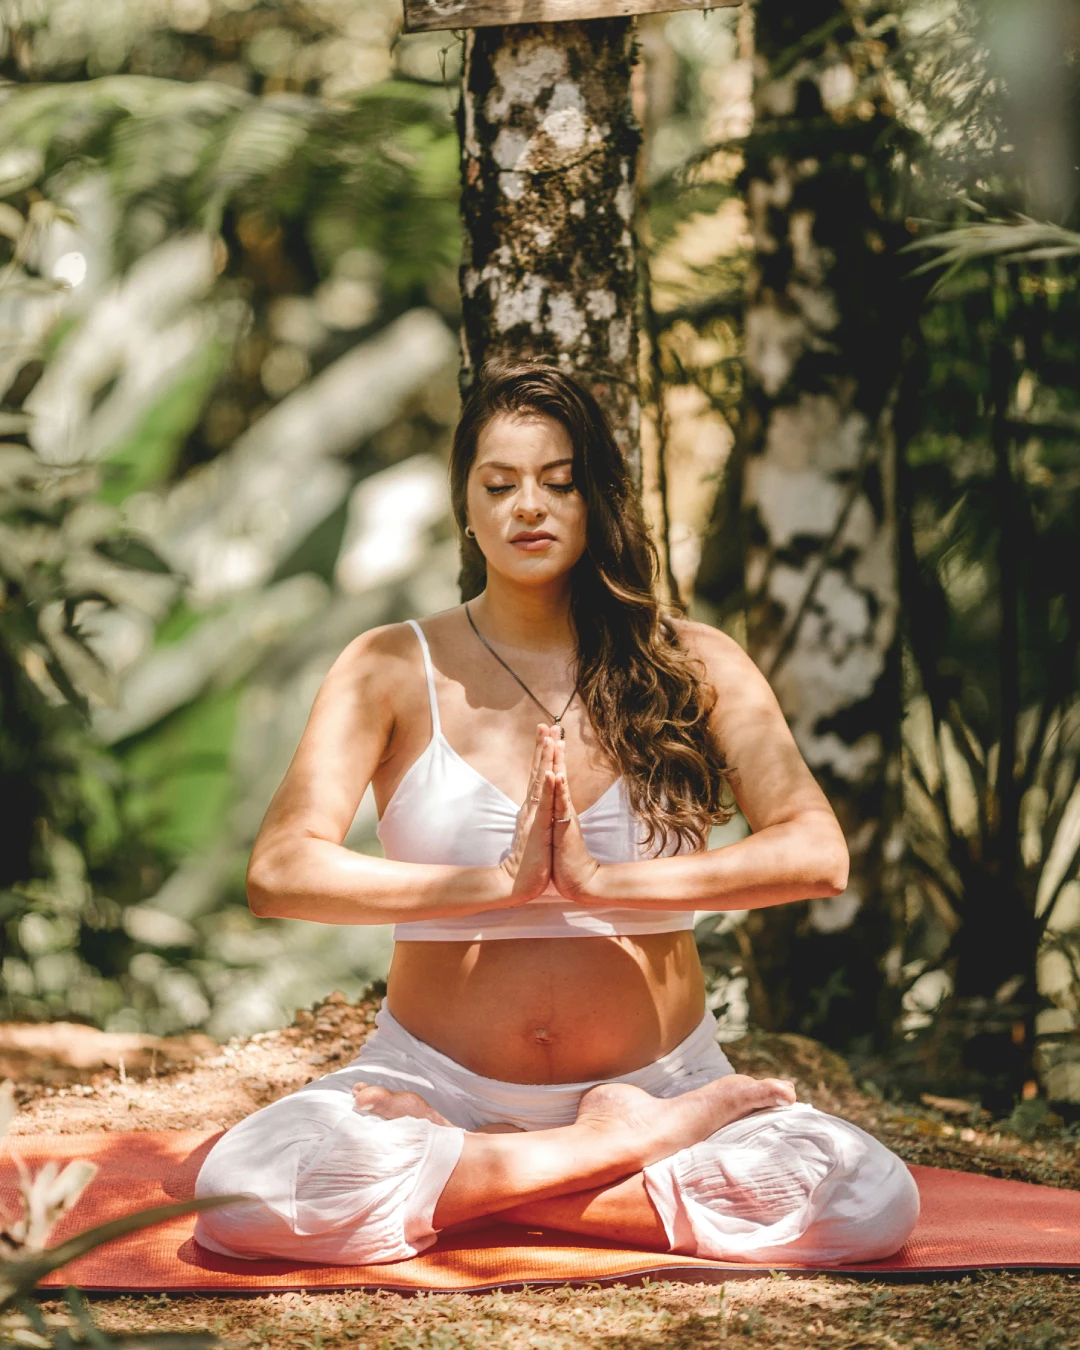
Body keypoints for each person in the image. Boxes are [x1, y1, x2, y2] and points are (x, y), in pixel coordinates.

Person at [193, 359, 919, 1268]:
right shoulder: (388, 665)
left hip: (664, 1077)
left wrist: (607, 881)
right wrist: (490, 884)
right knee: (246, 1190)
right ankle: (606, 1155)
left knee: (865, 1199)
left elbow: (817, 853)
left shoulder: (692, 663)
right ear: (466, 504)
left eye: (559, 483)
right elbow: (280, 870)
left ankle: (491, 1185)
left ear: (599, 499)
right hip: (431, 1084)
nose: (527, 506)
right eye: (499, 485)